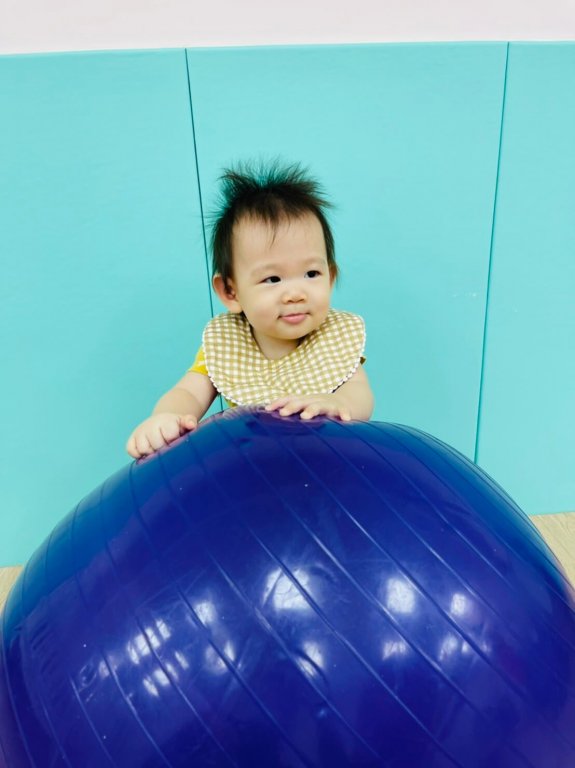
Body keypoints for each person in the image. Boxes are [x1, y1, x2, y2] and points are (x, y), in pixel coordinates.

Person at [126, 161, 374, 459]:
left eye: (311, 274)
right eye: (273, 279)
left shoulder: (335, 338)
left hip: (326, 458)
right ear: (231, 292)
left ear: (331, 278)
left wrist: (339, 404)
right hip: (253, 465)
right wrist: (167, 417)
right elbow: (188, 392)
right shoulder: (227, 344)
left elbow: (359, 392)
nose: (295, 294)